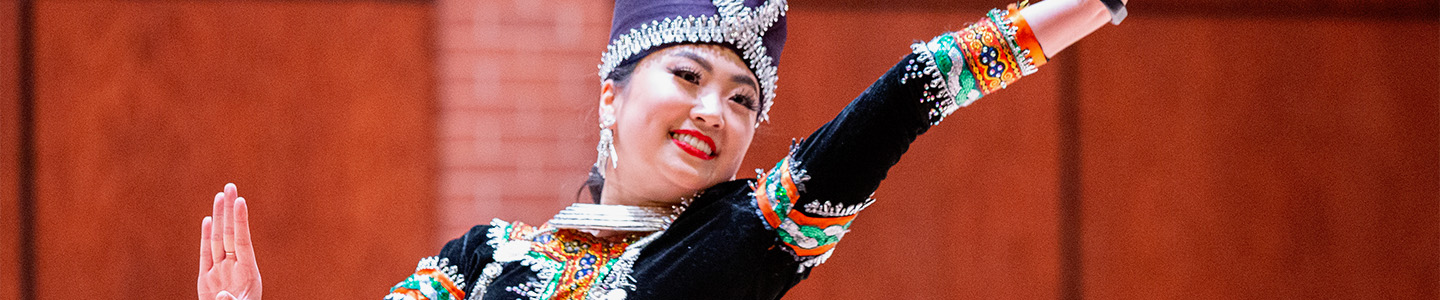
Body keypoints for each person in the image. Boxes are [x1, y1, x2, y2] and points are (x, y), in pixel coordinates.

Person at [196, 0, 1130, 299]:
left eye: (741, 99)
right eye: (686, 77)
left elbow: (906, 95)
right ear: (612, 92)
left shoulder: (742, 241)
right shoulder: (481, 262)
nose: (713, 111)